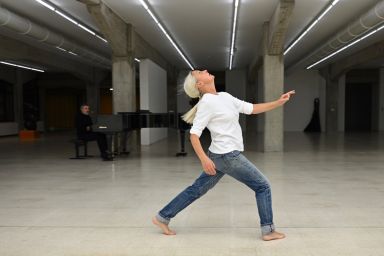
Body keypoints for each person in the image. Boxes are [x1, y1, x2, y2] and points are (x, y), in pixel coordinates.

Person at [152, 70, 295, 241]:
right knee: (262, 186)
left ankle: (162, 217)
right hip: (228, 156)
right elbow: (194, 135)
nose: (205, 70)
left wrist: (279, 102)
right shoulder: (207, 103)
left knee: (196, 190)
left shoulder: (225, 96)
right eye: (200, 72)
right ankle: (268, 231)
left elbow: (251, 109)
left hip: (219, 155)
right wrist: (204, 159)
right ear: (199, 84)